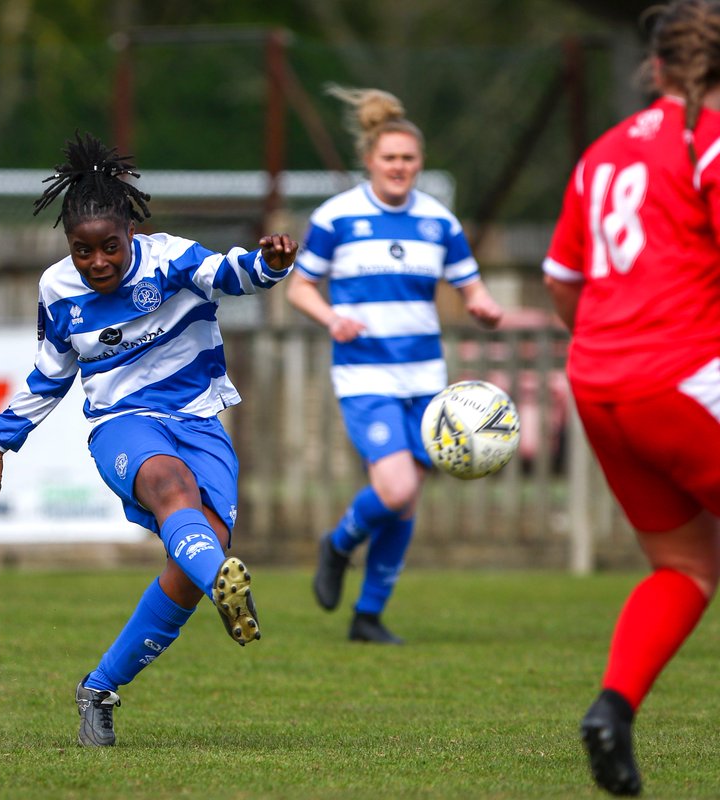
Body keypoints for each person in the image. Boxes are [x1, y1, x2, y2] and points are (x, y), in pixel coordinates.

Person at [0, 131, 297, 747]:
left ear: (129, 236)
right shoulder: (58, 290)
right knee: (171, 487)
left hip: (199, 420)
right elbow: (50, 374)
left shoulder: (171, 259)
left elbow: (232, 275)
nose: (98, 264)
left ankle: (100, 687)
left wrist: (270, 264)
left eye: (109, 248)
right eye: (82, 252)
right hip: (122, 424)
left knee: (191, 559)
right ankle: (225, 581)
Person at [543, 1, 720, 794]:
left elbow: (562, 281)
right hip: (682, 376)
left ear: (655, 67)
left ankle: (612, 710)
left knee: (683, 565)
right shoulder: (709, 142)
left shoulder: (603, 152)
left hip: (600, 383)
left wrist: (619, 343)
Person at [287, 86, 502, 645]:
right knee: (397, 486)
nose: (400, 167)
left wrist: (482, 304)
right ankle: (337, 544)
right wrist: (331, 318)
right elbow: (301, 287)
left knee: (406, 503)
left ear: (420, 164)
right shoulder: (337, 217)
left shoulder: (438, 222)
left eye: (409, 159)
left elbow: (470, 285)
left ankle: (369, 616)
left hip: (426, 378)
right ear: (370, 161)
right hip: (365, 374)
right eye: (390, 158)